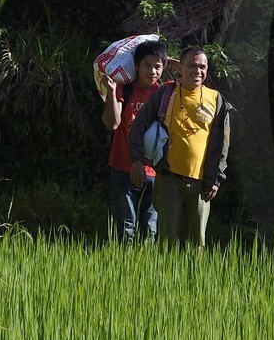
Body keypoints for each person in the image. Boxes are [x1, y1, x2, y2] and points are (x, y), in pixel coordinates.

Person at [128, 47, 233, 247]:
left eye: (202, 66)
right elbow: (138, 125)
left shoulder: (216, 99)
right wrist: (136, 160)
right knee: (167, 242)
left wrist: (217, 179)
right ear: (181, 68)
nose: (197, 71)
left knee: (197, 245)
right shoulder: (165, 94)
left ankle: (196, 279)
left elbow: (222, 145)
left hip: (202, 183)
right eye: (192, 65)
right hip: (168, 179)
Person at [100, 38, 170, 241]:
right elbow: (112, 124)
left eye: (157, 67)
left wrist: (166, 58)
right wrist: (112, 93)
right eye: (147, 65)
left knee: (150, 226)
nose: (152, 71)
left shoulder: (165, 93)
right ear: (136, 66)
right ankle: (124, 268)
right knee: (126, 226)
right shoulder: (125, 89)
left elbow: (188, 71)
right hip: (123, 166)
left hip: (155, 170)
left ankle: (144, 269)